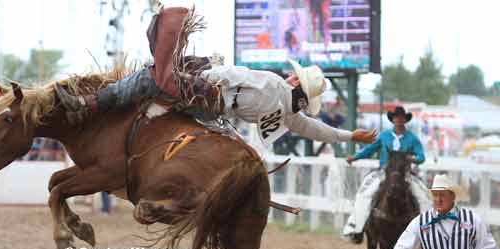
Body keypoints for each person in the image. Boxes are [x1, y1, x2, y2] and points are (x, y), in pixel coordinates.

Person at [54, 6, 376, 149]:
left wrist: (202, 71)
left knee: (148, 79)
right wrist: (349, 137)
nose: (291, 76)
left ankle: (88, 104)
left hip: (210, 95)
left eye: (295, 76)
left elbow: (233, 73)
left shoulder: (274, 83)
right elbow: (317, 130)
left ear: (295, 81)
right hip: (216, 113)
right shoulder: (290, 116)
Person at [343, 106, 429, 243]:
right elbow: (369, 149)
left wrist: (413, 159)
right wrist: (355, 157)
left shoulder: (412, 139)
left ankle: (427, 232)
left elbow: (421, 156)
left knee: (424, 196)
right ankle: (356, 227)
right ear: (393, 119)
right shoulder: (383, 136)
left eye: (401, 117)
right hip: (384, 172)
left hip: (405, 174)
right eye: (396, 117)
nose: (399, 120)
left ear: (405, 120)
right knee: (364, 193)